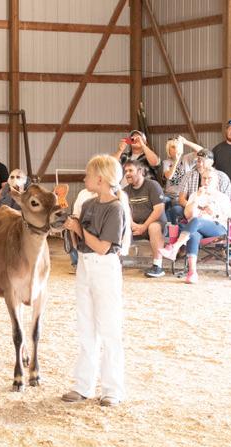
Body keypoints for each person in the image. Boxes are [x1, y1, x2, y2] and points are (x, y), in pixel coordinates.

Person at [61, 155, 131, 408]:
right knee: (85, 326)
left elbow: (102, 247)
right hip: (84, 264)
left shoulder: (116, 208)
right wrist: (70, 227)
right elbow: (80, 240)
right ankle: (83, 385)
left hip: (104, 268)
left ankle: (112, 389)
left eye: (88, 175)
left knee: (109, 329)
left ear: (100, 179)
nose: (84, 179)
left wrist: (78, 229)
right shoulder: (88, 204)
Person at [160, 169, 231, 284]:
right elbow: (187, 214)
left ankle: (175, 247)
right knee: (193, 234)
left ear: (216, 182)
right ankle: (192, 273)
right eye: (204, 178)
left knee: (196, 221)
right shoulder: (195, 195)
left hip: (217, 228)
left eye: (210, 179)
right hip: (195, 227)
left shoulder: (222, 197)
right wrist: (198, 198)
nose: (206, 181)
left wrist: (215, 213)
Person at [123, 160, 167, 278]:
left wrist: (144, 226)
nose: (127, 174)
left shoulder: (152, 185)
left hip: (154, 224)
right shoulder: (125, 191)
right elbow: (126, 211)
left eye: (130, 170)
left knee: (154, 227)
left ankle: (158, 266)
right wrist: (132, 224)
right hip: (136, 226)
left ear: (140, 171)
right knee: (117, 226)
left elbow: (159, 209)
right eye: (126, 171)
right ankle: (114, 263)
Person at [159, 135, 202, 223]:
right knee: (162, 201)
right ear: (168, 150)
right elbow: (169, 176)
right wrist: (176, 161)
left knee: (176, 207)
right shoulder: (166, 162)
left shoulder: (187, 158)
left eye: (178, 146)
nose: (176, 149)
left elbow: (202, 151)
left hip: (182, 196)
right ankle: (166, 226)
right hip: (169, 194)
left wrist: (186, 142)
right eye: (173, 147)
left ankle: (173, 226)